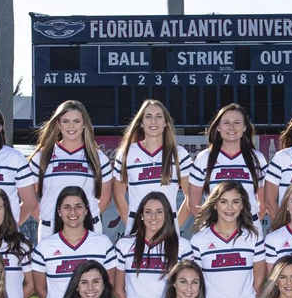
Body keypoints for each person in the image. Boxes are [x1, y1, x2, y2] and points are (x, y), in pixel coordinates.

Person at [189, 181, 267, 298]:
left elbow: (259, 280)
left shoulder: (253, 237)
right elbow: (196, 283)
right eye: (224, 202)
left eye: (235, 202)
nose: (230, 208)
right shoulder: (199, 240)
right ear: (215, 204)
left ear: (243, 205)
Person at [28, 100, 113, 240]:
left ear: (84, 123)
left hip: (88, 230)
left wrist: (81, 221)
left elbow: (105, 198)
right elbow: (30, 198)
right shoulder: (42, 156)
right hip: (51, 232)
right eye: (65, 121)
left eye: (76, 121)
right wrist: (48, 220)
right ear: (58, 124)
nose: (71, 126)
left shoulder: (98, 158)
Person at [112, 99, 192, 234]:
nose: (153, 121)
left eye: (159, 117)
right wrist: (132, 223)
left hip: (168, 232)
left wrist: (174, 225)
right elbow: (118, 195)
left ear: (166, 123)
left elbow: (190, 196)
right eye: (148, 116)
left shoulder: (179, 154)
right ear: (141, 123)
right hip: (137, 232)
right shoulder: (127, 153)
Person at [187, 104, 267, 225]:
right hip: (214, 230)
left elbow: (264, 203)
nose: (231, 127)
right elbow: (193, 204)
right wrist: (212, 228)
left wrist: (248, 225)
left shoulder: (257, 159)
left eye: (237, 122)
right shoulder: (204, 158)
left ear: (245, 127)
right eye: (226, 123)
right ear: (218, 127)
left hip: (248, 230)